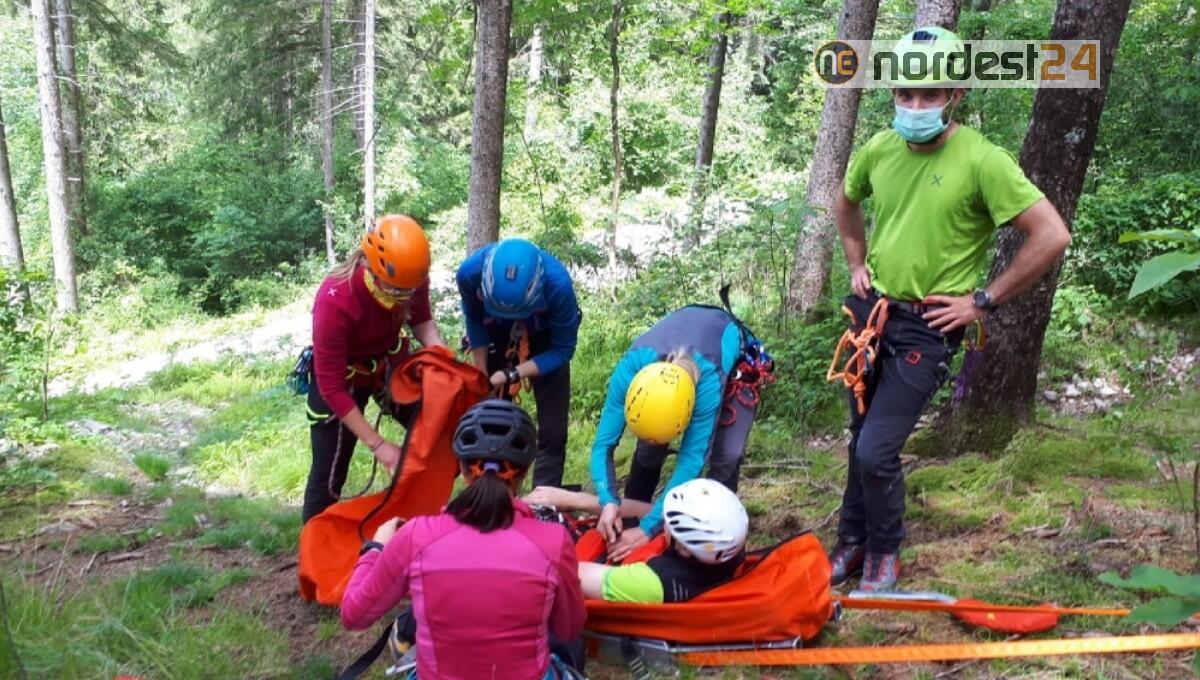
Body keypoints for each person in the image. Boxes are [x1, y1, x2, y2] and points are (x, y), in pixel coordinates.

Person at [829, 27, 1072, 591]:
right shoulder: (879, 149)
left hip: (927, 328)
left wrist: (981, 300)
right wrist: (855, 262)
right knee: (860, 438)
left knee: (877, 448)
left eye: (930, 94)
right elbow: (847, 202)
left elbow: (1051, 234)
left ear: (955, 95)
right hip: (871, 315)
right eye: (905, 94)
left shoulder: (983, 160)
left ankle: (885, 554)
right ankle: (850, 543)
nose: (915, 106)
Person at [340, 400, 586, 680]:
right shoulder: (553, 541)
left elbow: (354, 614)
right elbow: (568, 628)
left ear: (461, 466)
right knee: (570, 651)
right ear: (525, 471)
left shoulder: (416, 536)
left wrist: (374, 549)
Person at [586, 305, 764, 562]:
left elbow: (691, 461)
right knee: (648, 451)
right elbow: (603, 445)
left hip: (731, 362)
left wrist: (648, 531)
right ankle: (628, 520)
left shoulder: (708, 386)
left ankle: (720, 537)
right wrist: (608, 501)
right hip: (679, 346)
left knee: (727, 455)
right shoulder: (629, 371)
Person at [303, 215, 446, 523]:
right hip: (344, 379)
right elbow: (331, 387)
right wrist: (379, 445)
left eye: (410, 290)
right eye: (396, 291)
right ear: (371, 267)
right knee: (329, 474)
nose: (404, 297)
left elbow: (421, 321)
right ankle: (314, 553)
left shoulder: (410, 276)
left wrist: (441, 355)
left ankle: (423, 520)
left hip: (386, 366)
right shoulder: (337, 299)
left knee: (434, 426)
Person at [456, 238, 582, 489]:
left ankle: (544, 500)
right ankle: (489, 492)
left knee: (553, 430)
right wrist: (483, 374)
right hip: (495, 331)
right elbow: (474, 318)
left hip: (546, 336)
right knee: (491, 416)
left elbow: (562, 350)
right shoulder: (469, 274)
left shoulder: (558, 285)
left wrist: (511, 374)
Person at [577, 478, 748, 604]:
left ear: (684, 549)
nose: (663, 523)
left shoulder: (651, 582)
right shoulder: (728, 553)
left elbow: (573, 573)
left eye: (668, 522)